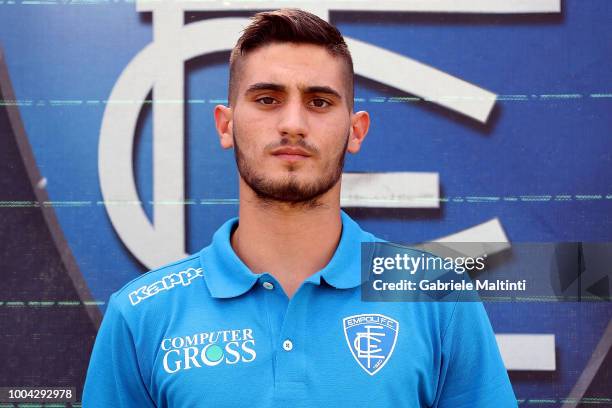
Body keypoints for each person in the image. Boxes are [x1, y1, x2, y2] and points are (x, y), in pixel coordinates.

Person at [83, 8, 517, 407]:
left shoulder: (437, 298)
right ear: (226, 124)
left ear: (355, 130)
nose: (292, 123)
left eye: (319, 102)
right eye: (267, 99)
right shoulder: (141, 315)